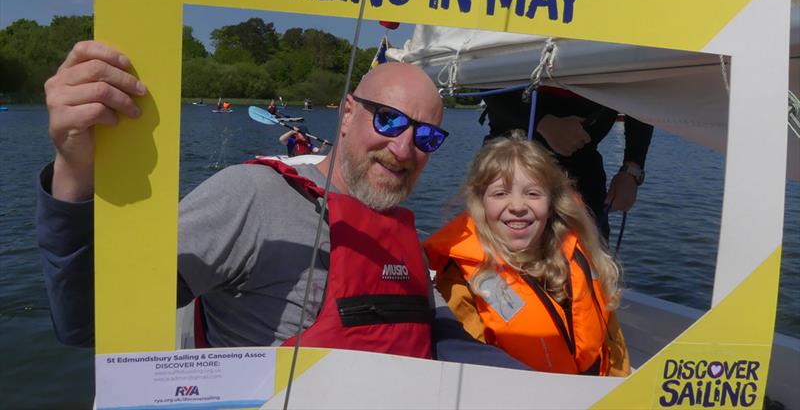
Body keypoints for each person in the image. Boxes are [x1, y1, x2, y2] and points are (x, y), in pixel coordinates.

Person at [36, 41, 527, 368]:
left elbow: (439, 332)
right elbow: (88, 319)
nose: (404, 149)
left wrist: (541, 391)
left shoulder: (402, 236)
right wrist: (73, 171)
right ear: (348, 112)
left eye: (426, 136)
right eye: (390, 122)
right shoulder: (253, 196)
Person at [424, 131, 630, 376]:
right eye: (500, 193)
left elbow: (614, 347)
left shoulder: (580, 257)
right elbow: (469, 366)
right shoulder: (461, 280)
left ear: (551, 202)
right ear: (481, 203)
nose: (518, 206)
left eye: (533, 193)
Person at [482, 87, 653, 242]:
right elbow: (483, 78)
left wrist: (632, 169)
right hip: (507, 158)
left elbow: (641, 90)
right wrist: (544, 122)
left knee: (590, 256)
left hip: (581, 165)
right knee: (495, 254)